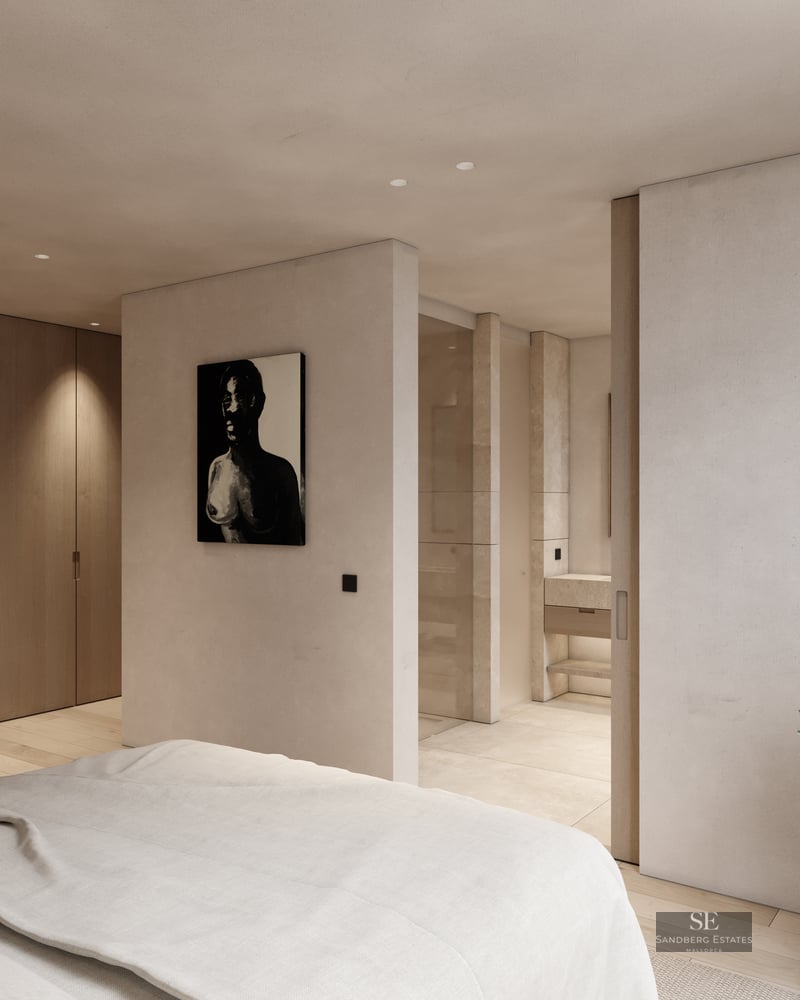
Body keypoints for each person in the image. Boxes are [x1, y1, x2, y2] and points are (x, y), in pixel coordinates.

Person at [205, 359, 304, 544]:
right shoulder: (216, 468)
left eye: (240, 397)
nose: (232, 408)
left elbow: (295, 539)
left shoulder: (280, 473)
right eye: (227, 399)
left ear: (258, 402)